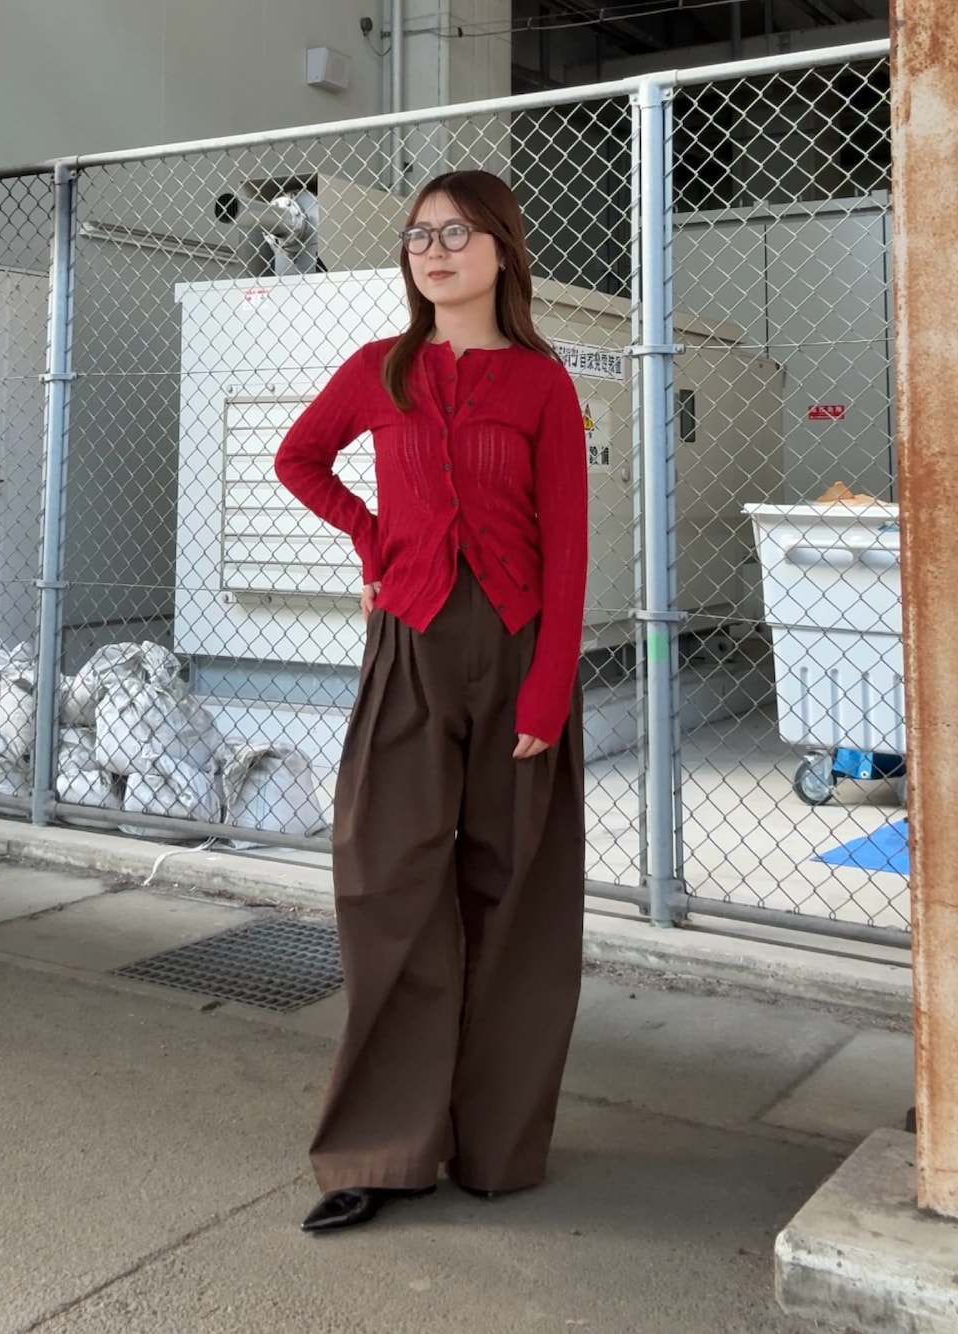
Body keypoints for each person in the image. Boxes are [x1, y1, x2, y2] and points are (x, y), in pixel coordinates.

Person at [274, 169, 589, 1235]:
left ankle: (496, 1143)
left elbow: (569, 542)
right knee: (386, 882)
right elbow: (300, 458)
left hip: (518, 651)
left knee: (517, 895)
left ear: (501, 249)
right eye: (419, 235)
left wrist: (549, 686)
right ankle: (382, 1150)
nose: (434, 251)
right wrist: (373, 541)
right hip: (408, 645)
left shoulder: (542, 383)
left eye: (456, 233)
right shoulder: (382, 368)